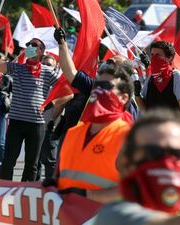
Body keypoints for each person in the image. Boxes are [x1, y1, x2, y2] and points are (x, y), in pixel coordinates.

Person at [53, 27, 134, 203]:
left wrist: (87, 196)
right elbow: (71, 73)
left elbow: (133, 187)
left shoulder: (129, 134)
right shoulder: (75, 133)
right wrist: (62, 44)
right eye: (108, 63)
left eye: (114, 64)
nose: (109, 64)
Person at [0, 26, 60, 181]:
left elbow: (67, 90)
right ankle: (4, 190)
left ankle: (27, 193)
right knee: (8, 161)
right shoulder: (17, 68)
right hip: (16, 122)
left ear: (41, 52)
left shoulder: (48, 71)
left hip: (37, 125)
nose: (29, 48)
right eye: (28, 45)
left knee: (32, 164)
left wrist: (52, 103)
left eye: (34, 46)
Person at [136, 41, 180, 126]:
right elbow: (145, 109)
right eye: (152, 55)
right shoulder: (151, 79)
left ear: (169, 58)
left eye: (158, 55)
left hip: (171, 131)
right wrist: (137, 94)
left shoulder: (178, 78)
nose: (154, 58)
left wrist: (179, 135)